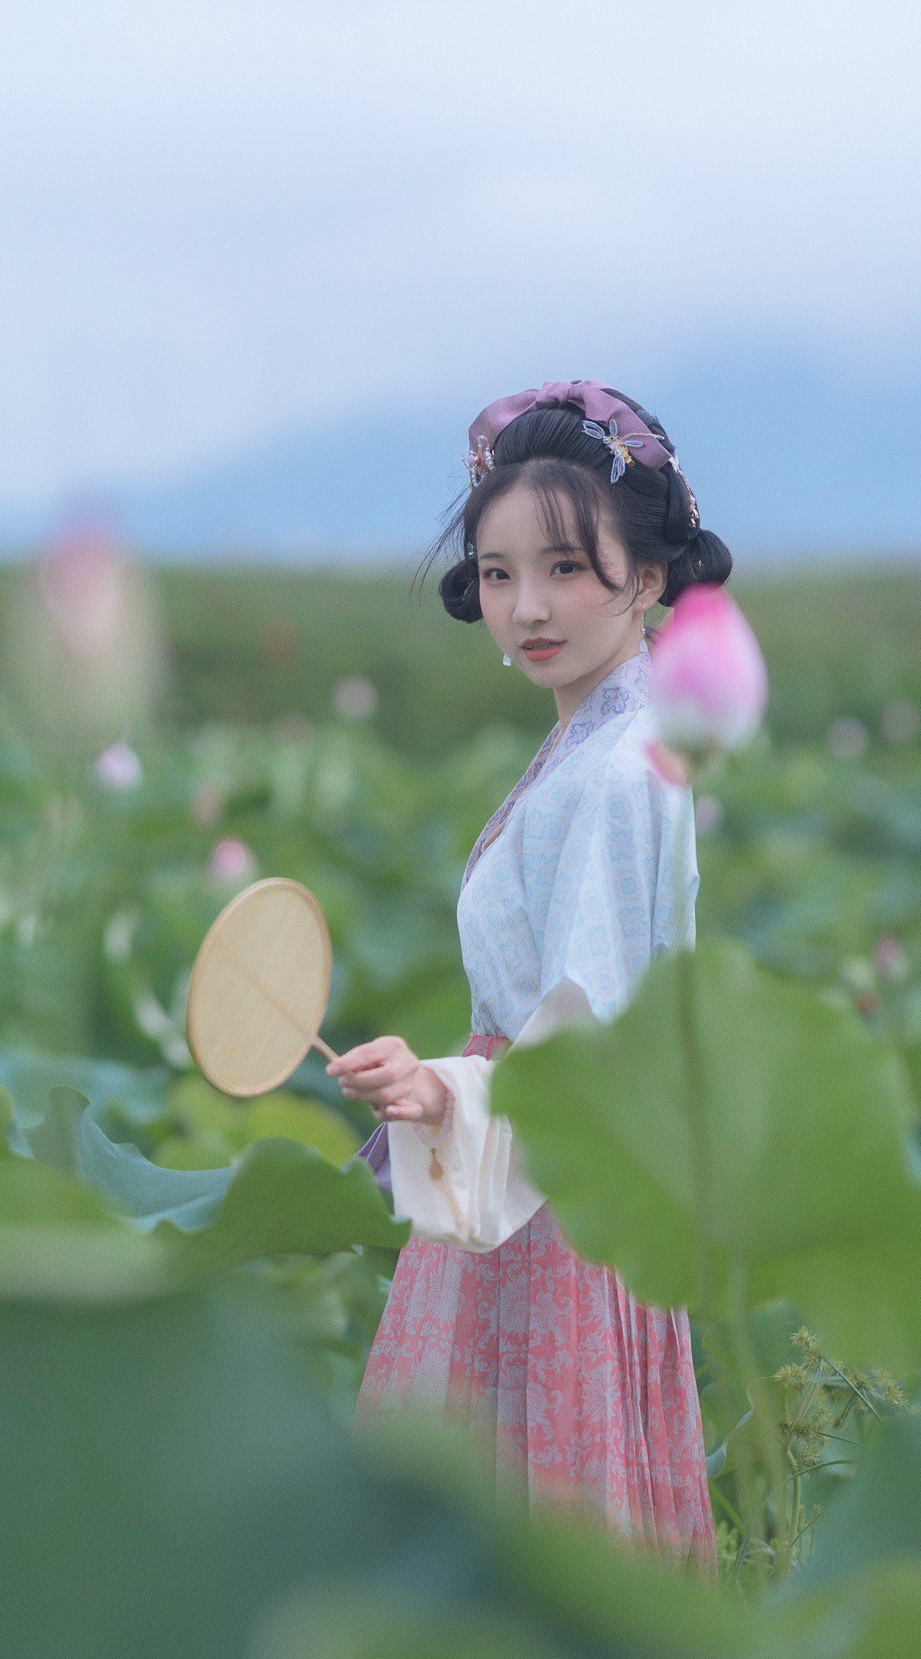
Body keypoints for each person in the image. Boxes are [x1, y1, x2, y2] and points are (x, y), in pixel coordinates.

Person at [325, 380, 730, 1576]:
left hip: (553, 1183)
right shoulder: (606, 736)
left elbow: (589, 1043)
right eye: (499, 574)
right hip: (544, 1166)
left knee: (527, 1546)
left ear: (645, 576)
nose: (527, 607)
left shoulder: (620, 772)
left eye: (563, 567)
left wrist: (442, 1089)